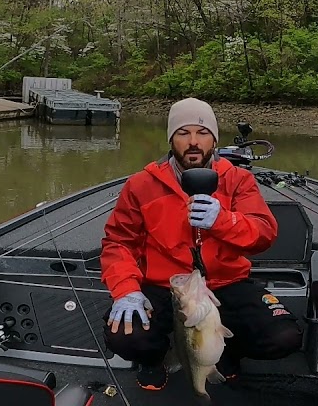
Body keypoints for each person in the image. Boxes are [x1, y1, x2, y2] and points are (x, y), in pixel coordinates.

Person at [99, 97, 303, 390]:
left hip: (226, 282)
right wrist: (125, 290)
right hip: (165, 285)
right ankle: (154, 359)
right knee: (124, 336)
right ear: (171, 139)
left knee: (284, 337)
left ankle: (226, 349)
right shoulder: (141, 185)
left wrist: (223, 220)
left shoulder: (238, 180)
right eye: (183, 133)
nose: (193, 142)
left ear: (214, 140)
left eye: (202, 133)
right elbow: (118, 242)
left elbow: (264, 233)